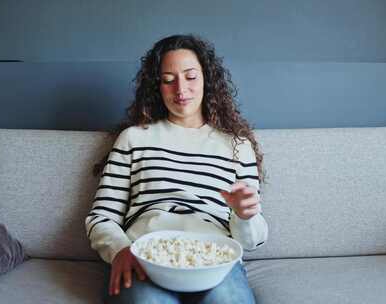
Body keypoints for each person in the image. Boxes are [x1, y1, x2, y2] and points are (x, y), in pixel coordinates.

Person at [85, 34, 268, 304]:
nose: (181, 90)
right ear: (157, 87)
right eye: (168, 80)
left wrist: (244, 214)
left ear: (207, 79)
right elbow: (101, 216)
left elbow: (253, 240)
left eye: (191, 76)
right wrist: (120, 250)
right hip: (145, 255)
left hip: (214, 258)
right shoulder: (134, 139)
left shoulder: (237, 145)